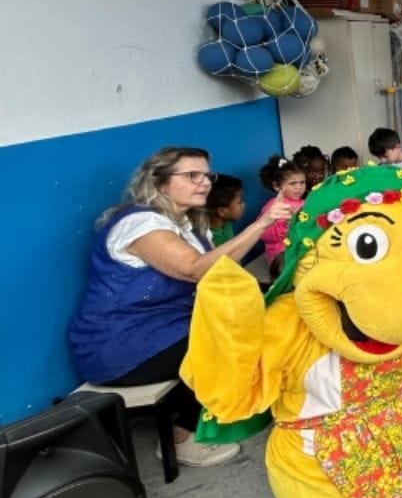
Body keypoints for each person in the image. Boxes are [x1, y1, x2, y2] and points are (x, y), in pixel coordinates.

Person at [68, 147, 294, 466]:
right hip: (119, 345)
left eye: (206, 175)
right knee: (225, 340)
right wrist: (262, 225)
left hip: (166, 327)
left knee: (271, 312)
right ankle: (182, 436)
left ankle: (249, 406)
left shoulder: (188, 224)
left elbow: (219, 272)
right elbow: (196, 269)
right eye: (192, 176)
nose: (204, 182)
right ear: (160, 183)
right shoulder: (140, 226)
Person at [257, 156, 307, 274]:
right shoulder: (273, 207)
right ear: (277, 186)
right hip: (279, 255)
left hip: (299, 248)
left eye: (302, 182)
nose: (299, 187)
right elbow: (264, 235)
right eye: (293, 183)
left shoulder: (303, 202)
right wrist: (285, 225)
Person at [205, 174, 244, 246]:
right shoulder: (209, 239)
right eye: (240, 202)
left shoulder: (227, 225)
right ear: (222, 211)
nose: (243, 205)